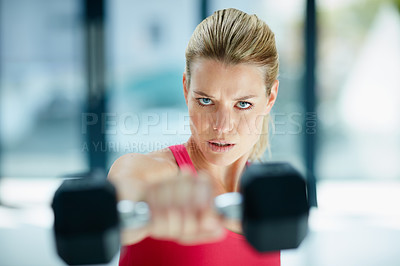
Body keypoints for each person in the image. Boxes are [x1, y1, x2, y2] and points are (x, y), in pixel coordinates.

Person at [108, 8, 280, 266]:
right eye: (206, 100)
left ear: (270, 98)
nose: (222, 126)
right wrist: (146, 207)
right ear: (186, 89)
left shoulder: (269, 195)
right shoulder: (148, 171)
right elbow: (117, 201)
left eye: (242, 104)